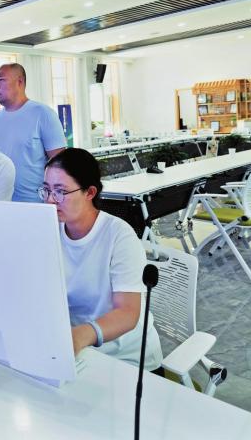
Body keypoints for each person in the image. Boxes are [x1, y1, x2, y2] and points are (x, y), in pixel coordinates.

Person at [40, 148, 162, 370]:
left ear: (89, 192)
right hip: (78, 350)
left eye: (60, 191)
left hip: (126, 358)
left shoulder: (119, 236)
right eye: (46, 190)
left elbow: (128, 313)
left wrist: (80, 336)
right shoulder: (50, 231)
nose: (50, 200)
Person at [0, 63, 67, 202]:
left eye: (1, 80)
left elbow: (60, 164)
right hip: (0, 201)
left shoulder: (43, 114)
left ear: (20, 82)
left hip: (34, 201)